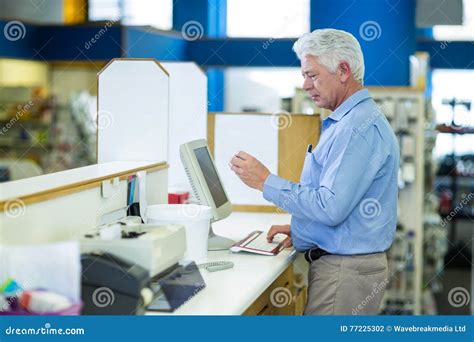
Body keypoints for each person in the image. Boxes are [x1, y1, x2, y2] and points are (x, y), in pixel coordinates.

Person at [229, 28, 399, 315]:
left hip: (345, 274)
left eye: (313, 75)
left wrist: (265, 181)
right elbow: (341, 205)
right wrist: (303, 231)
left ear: (343, 70)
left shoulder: (356, 128)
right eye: (304, 75)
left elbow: (330, 206)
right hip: (343, 270)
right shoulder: (348, 122)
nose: (306, 85)